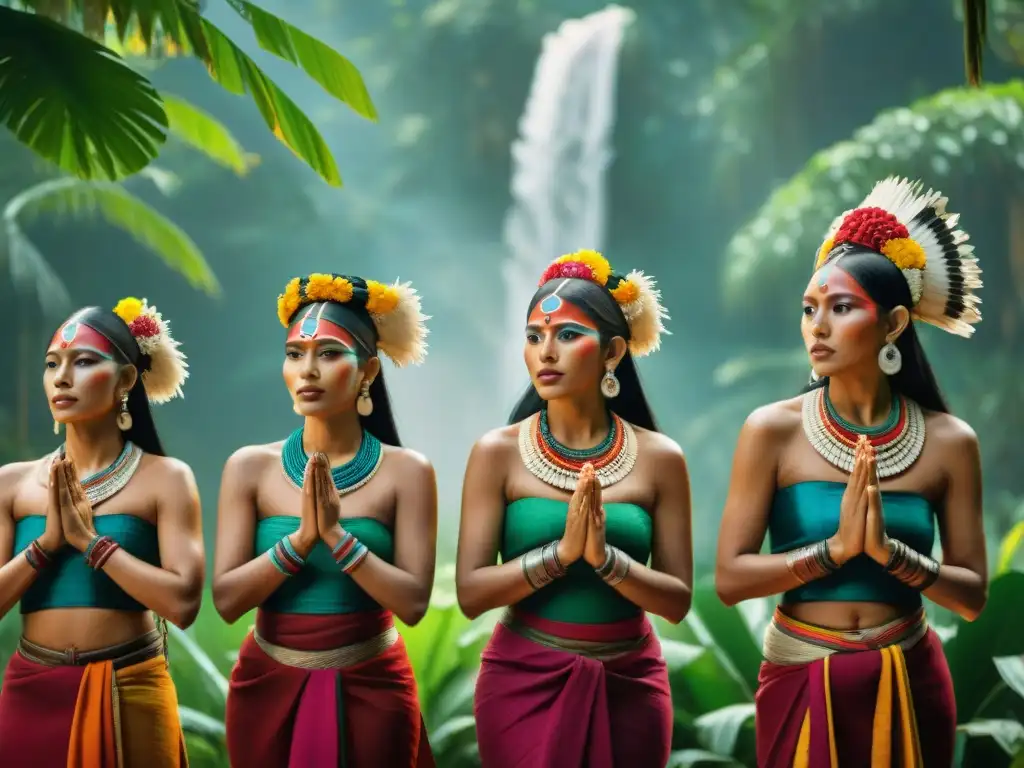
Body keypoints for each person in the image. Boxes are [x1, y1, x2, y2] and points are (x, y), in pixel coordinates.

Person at [715, 177, 987, 767]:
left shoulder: (949, 442)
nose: (818, 326)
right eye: (810, 310)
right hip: (800, 674)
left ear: (892, 325)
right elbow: (731, 579)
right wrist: (833, 552)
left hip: (910, 676)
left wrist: (893, 556)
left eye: (841, 308)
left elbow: (971, 596)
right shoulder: (772, 431)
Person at [456, 249, 692, 768]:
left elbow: (676, 600)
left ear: (612, 352)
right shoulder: (496, 452)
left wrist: (607, 561)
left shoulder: (660, 458)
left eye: (567, 335)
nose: (546, 352)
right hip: (521, 682)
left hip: (630, 683)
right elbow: (472, 594)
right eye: (535, 336)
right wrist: (560, 557)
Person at [214, 273, 437, 767]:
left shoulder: (407, 472)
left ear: (368, 371)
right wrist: (298, 542)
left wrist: (337, 538)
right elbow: (228, 601)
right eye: (295, 354)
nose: (308, 369)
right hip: (267, 685)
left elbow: (414, 603)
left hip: (374, 687)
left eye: (330, 354)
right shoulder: (249, 467)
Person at [0, 297, 203, 767]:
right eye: (52, 364)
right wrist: (45, 547)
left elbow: (184, 604)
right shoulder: (12, 483)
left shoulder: (166, 479)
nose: (62, 378)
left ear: (126, 379)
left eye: (84, 361)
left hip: (129, 687)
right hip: (31, 691)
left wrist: (92, 544)